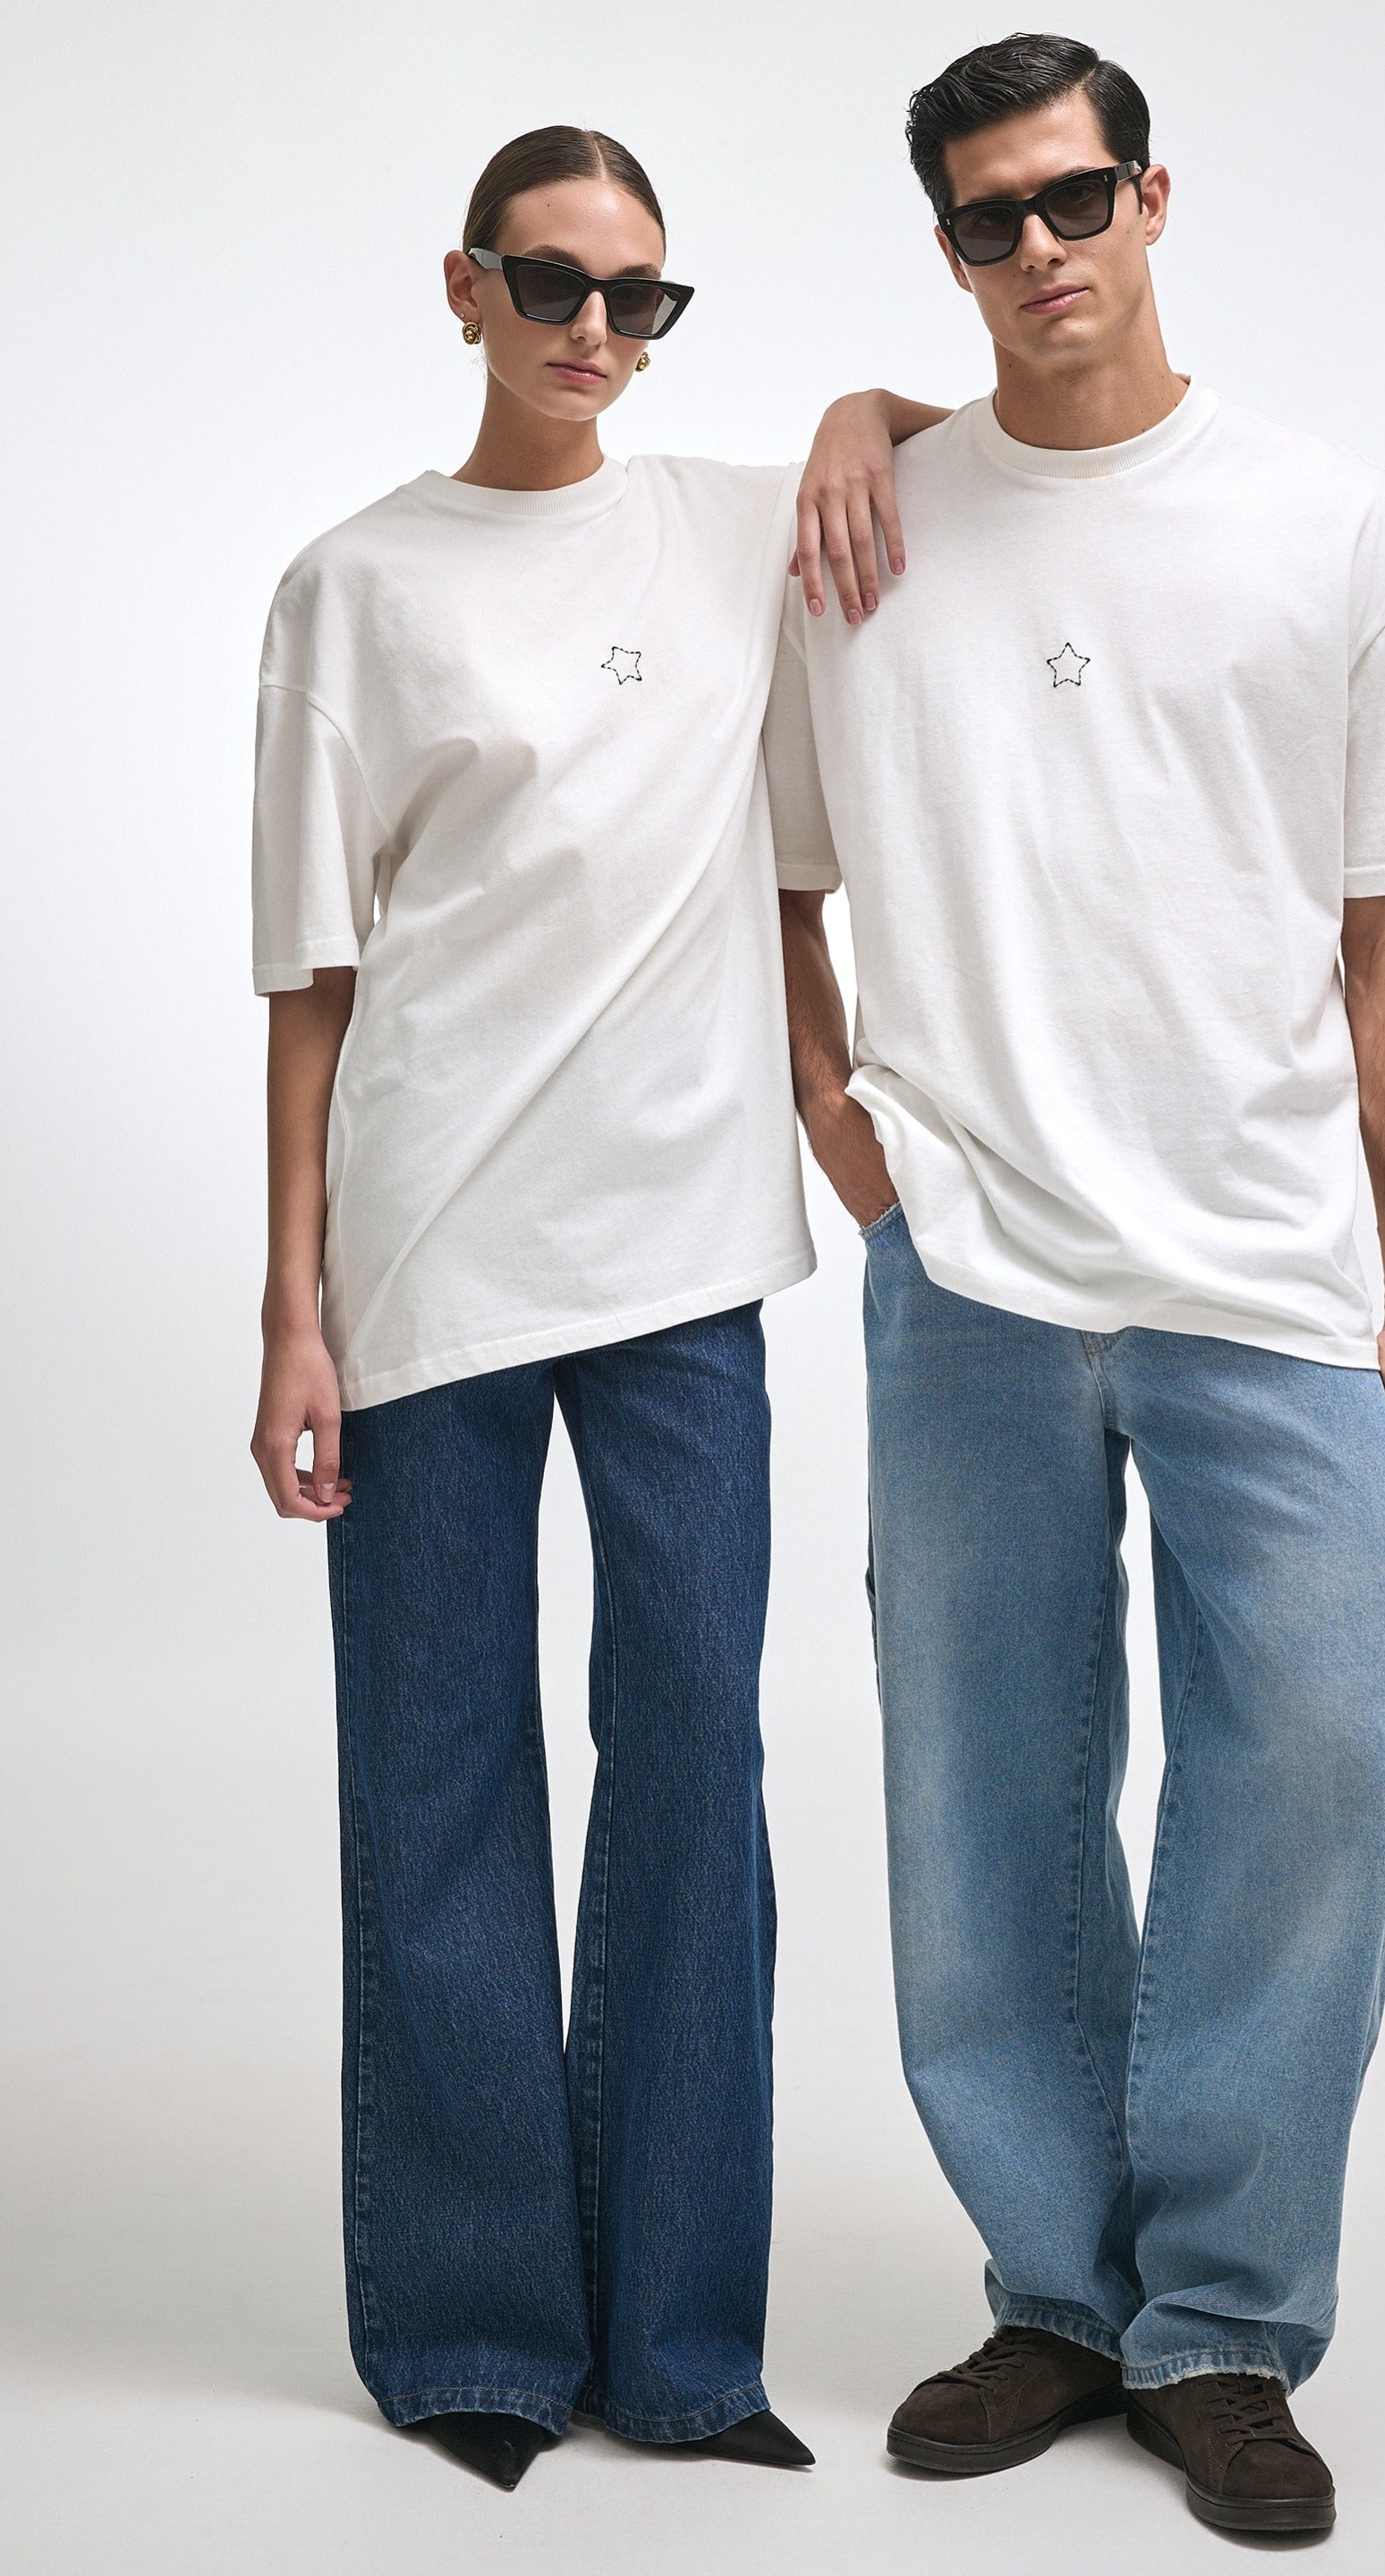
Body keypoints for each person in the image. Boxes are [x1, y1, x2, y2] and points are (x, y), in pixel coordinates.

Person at [775, 32, 1385, 2538]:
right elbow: (778, 870)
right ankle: (1056, 2293)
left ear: (1153, 196)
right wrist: (842, 1124)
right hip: (969, 1270)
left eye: (1072, 198)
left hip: (1267, 1272)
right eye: (986, 221)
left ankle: (1219, 2318)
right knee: (983, 1800)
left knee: (1320, 1772)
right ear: (946, 251)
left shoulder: (1337, 527)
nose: (1039, 250)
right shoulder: (861, 531)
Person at [249, 122, 937, 2491]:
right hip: (428, 1246)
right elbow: (315, 980)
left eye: (640, 296)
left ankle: (679, 2343)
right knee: (439, 1774)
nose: (594, 330)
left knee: (695, 1774)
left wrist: (845, 409)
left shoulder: (730, 525)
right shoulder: (354, 586)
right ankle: (470, 2335)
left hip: (682, 1257)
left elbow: (953, 445)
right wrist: (291, 1309)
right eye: (549, 283)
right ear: (463, 286)